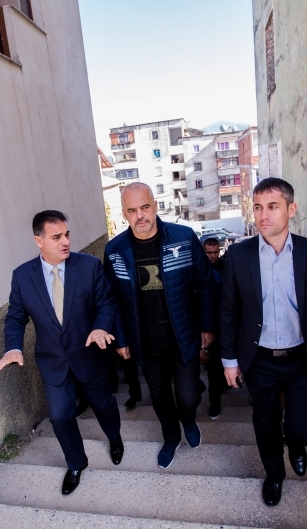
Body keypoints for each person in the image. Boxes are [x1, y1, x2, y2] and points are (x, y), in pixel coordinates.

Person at [220, 178, 307, 506]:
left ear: (291, 209)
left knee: (303, 427)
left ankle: (297, 444)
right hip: (259, 359)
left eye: (272, 207)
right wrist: (229, 360)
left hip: (302, 356)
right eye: (258, 207)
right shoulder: (239, 255)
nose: (263, 215)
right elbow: (228, 310)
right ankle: (274, 474)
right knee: (265, 423)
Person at [0, 210, 124, 496]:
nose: (65, 241)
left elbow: (106, 303)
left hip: (89, 355)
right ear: (38, 241)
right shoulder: (22, 276)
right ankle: (76, 464)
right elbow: (15, 317)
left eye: (67, 234)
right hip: (52, 361)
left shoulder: (88, 266)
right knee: (60, 417)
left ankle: (115, 438)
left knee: (104, 406)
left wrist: (100, 327)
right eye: (56, 237)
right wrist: (13, 347)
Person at [103, 182, 216, 469]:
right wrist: (122, 339)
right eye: (132, 210)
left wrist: (207, 325)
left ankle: (188, 421)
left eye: (145, 207)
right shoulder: (115, 250)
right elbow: (113, 300)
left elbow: (205, 284)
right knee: (160, 396)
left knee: (188, 397)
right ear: (124, 214)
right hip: (145, 341)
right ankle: (171, 437)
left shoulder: (183, 237)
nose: (140, 215)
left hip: (182, 335)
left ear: (155, 206)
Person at [200, 236, 226, 419]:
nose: (212, 256)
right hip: (206, 325)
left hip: (224, 324)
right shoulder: (199, 270)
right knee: (213, 369)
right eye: (209, 252)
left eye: (215, 252)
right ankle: (214, 402)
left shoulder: (226, 267)